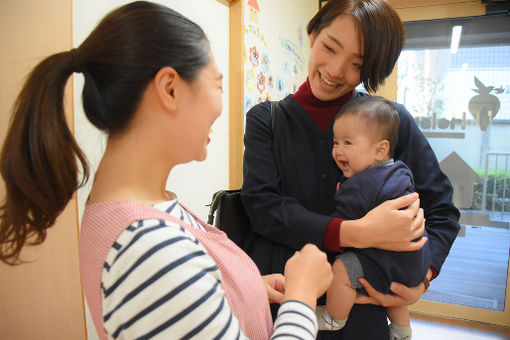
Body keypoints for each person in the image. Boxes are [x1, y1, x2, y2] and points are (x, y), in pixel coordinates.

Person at [0, 2, 334, 339]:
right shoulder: (146, 248)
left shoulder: (147, 216)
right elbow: (167, 275)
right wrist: (302, 297)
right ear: (170, 89)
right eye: (217, 84)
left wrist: (242, 290)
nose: (220, 104)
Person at [241, 0, 460, 339]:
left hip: (364, 309)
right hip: (279, 298)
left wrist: (421, 277)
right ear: (313, 34)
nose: (335, 70)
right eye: (330, 47)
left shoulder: (392, 122)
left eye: (357, 64)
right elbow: (263, 208)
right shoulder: (266, 120)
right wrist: (357, 232)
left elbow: (441, 210)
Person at [315, 95, 431, 340]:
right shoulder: (400, 170)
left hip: (387, 261)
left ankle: (334, 318)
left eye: (348, 143)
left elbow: (344, 226)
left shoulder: (358, 185)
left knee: (342, 269)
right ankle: (401, 330)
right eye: (336, 142)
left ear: (380, 149)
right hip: (417, 262)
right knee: (394, 285)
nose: (338, 150)